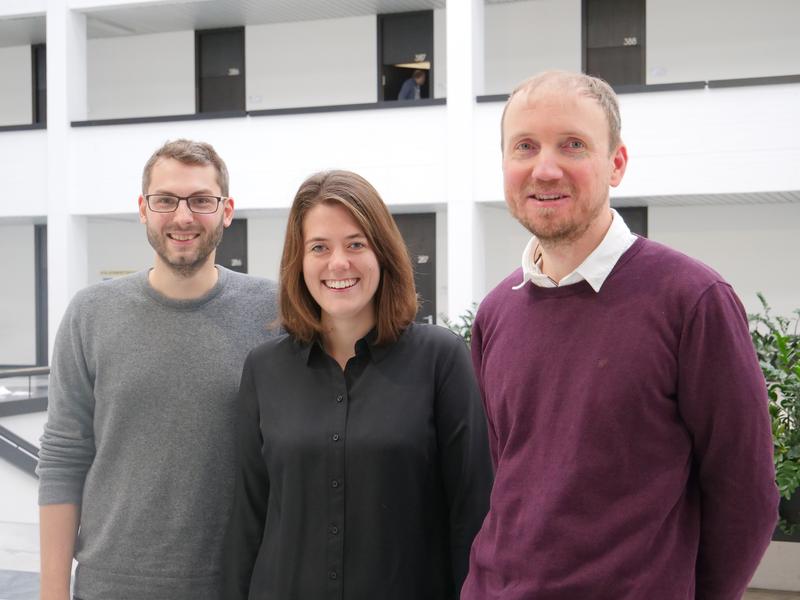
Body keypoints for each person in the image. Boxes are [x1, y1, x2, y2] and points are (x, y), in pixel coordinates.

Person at [461, 71, 779, 599]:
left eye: (573, 145)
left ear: (617, 164)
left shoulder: (692, 300)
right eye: (524, 146)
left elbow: (746, 496)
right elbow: (511, 479)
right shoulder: (496, 312)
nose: (544, 168)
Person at [223, 170, 492, 599]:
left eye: (355, 244)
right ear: (300, 261)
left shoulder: (441, 359)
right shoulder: (264, 369)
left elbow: (473, 513)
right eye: (319, 248)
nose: (338, 263)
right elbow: (249, 518)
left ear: (381, 253)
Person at [37, 139, 279, 600]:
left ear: (226, 210)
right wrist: (52, 593)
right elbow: (64, 458)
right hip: (109, 587)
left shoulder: (274, 313)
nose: (183, 216)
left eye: (201, 200)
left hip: (235, 585)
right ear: (143, 210)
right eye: (165, 200)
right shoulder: (90, 313)